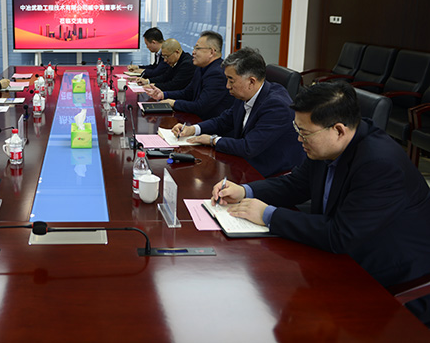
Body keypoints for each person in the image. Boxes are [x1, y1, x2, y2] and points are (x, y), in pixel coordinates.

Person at [211, 81, 430, 326]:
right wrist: (245, 191)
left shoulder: (379, 164)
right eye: (297, 129)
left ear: (338, 130)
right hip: (341, 253)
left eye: (305, 132)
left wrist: (268, 214)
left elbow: (340, 235)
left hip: (389, 274)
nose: (299, 138)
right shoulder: (328, 145)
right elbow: (296, 184)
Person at [173, 47, 304, 177]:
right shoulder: (245, 93)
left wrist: (212, 140)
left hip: (270, 173)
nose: (227, 86)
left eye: (231, 80)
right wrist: (193, 129)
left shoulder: (277, 106)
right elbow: (224, 121)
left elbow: (248, 147)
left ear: (251, 81)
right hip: (245, 163)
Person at [145, 31, 233, 120]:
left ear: (211, 52)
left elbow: (200, 107)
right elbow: (187, 93)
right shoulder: (201, 68)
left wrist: (174, 103)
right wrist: (163, 95)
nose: (193, 52)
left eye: (197, 48)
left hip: (209, 124)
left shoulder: (217, 73)